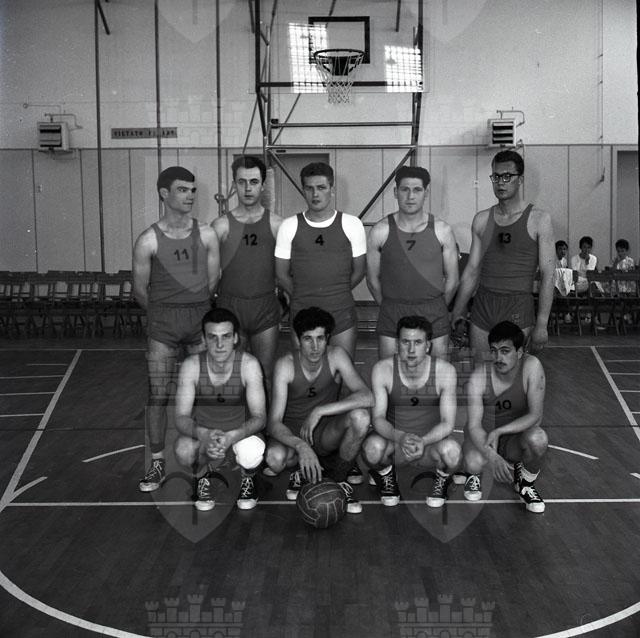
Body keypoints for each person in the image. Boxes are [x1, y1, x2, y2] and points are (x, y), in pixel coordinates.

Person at [133, 166, 220, 493]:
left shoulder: (207, 234)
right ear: (164, 193)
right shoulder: (148, 240)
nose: (190, 195)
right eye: (183, 189)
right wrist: (165, 315)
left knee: (203, 396)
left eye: (193, 190)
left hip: (199, 321)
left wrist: (193, 306)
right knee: (158, 395)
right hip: (163, 326)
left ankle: (203, 470)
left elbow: (213, 280)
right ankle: (157, 463)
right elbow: (140, 290)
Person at [265, 307, 373, 514]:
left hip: (324, 433)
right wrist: (300, 445)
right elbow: (274, 422)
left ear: (328, 338)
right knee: (274, 460)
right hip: (293, 434)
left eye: (320, 338)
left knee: (361, 417)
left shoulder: (336, 356)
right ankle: (301, 470)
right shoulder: (285, 365)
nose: (315, 347)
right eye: (308, 339)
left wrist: (320, 410)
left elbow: (367, 396)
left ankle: (338, 480)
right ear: (298, 339)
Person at [450, 150, 555, 359]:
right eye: (496, 176)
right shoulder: (481, 220)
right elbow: (472, 271)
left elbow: (548, 275)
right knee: (481, 371)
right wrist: (458, 310)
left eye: (507, 176)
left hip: (517, 306)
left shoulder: (539, 220)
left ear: (520, 179)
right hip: (483, 305)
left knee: (510, 372)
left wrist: (542, 324)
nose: (500, 182)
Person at [362, 315, 460, 508]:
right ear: (397, 344)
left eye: (418, 342)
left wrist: (423, 441)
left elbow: (448, 423)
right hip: (395, 444)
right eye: (406, 342)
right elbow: (378, 418)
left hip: (429, 446)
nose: (411, 349)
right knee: (371, 449)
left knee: (453, 452)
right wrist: (401, 437)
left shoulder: (445, 371)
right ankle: (387, 475)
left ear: (428, 345)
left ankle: (442, 479)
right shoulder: (383, 369)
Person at [174, 307, 267, 511]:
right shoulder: (191, 366)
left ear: (235, 338)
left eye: (225, 336)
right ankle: (202, 478)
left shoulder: (249, 365)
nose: (219, 344)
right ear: (203, 339)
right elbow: (180, 417)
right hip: (206, 436)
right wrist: (204, 434)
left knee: (251, 451)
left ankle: (248, 478)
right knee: (184, 450)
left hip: (239, 434)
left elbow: (260, 417)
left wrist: (233, 436)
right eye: (212, 337)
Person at [275, 162, 367, 359]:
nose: (315, 194)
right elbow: (281, 274)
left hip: (341, 312)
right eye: (309, 188)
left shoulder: (352, 224)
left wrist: (335, 292)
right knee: (305, 371)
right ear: (303, 191)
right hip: (302, 312)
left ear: (331, 190)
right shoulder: (289, 226)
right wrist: (303, 295)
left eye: (321, 187)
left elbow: (359, 271)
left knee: (342, 369)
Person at [366, 166, 459, 360]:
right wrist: (388, 306)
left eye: (417, 190)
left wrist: (438, 307)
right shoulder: (380, 231)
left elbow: (453, 280)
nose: (410, 196)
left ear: (426, 192)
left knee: (436, 372)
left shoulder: (442, 230)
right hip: (393, 310)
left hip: (433, 310)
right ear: (395, 192)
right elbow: (372, 279)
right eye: (404, 189)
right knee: (389, 372)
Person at [460, 321, 547, 513]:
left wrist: (500, 431)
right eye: (494, 351)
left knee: (538, 439)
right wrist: (492, 455)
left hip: (512, 440)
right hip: (483, 439)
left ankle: (525, 483)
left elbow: (535, 416)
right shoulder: (478, 377)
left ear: (519, 352)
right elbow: (473, 426)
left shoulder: (532, 367)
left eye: (505, 351)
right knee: (473, 462)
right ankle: (473, 474)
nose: (498, 357)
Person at [212, 156, 283, 383]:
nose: (248, 188)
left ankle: (265, 410)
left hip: (265, 307)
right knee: (232, 376)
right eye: (242, 182)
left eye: (253, 182)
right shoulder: (220, 226)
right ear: (234, 185)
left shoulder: (277, 225)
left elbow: (287, 272)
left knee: (265, 374)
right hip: (230, 306)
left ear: (262, 185)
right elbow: (209, 276)